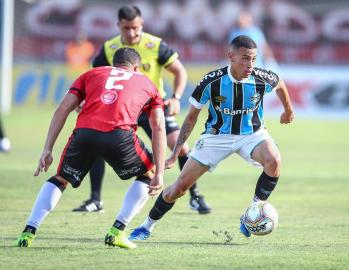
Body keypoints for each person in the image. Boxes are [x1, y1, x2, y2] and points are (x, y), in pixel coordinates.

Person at [129, 35, 294, 241]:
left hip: (252, 134)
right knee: (179, 188)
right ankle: (146, 226)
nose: (250, 64)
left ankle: (252, 212)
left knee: (274, 161)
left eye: (253, 58)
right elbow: (190, 119)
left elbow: (280, 84)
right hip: (216, 138)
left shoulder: (262, 77)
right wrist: (174, 154)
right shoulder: (211, 81)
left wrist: (288, 111)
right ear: (231, 57)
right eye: (244, 58)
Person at [16, 47, 166, 249]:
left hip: (84, 134)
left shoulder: (91, 74)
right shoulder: (147, 83)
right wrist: (160, 172)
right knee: (149, 174)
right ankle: (117, 231)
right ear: (137, 67)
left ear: (114, 64)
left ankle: (28, 233)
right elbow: (158, 126)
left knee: (60, 179)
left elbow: (63, 108)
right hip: (119, 135)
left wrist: (47, 149)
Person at [73, 5, 211, 214]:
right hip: (122, 107)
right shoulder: (110, 48)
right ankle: (95, 200)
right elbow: (96, 79)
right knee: (97, 141)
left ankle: (195, 196)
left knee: (180, 146)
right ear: (118, 25)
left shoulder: (154, 45)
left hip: (153, 106)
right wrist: (87, 100)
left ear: (142, 24)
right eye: (127, 28)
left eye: (135, 28)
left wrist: (176, 97)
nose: (131, 33)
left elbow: (179, 71)